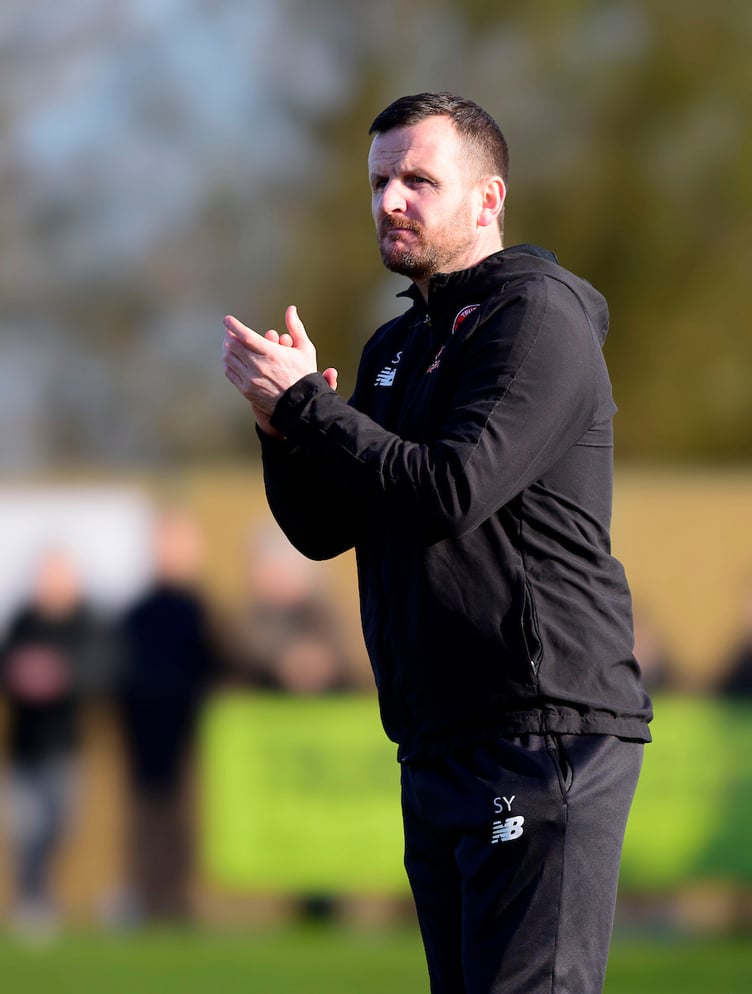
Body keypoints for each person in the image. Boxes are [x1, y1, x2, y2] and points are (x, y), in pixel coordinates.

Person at [222, 92, 653, 994]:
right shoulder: (394, 346)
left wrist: (311, 407)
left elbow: (452, 489)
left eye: (419, 179)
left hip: (542, 728)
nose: (391, 201)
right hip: (438, 741)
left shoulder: (534, 316)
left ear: (489, 199)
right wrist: (282, 431)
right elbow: (326, 527)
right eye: (380, 182)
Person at [115, 505, 216, 924]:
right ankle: (149, 899)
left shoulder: (202, 612)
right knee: (146, 822)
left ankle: (178, 902)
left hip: (189, 732)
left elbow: (217, 667)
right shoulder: (136, 613)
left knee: (183, 821)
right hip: (145, 733)